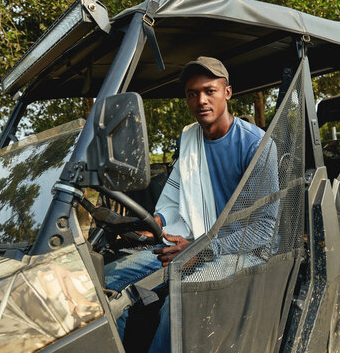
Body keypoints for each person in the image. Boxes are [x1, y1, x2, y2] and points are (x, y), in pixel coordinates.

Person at [104, 56, 278, 351]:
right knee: (110, 279)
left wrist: (201, 249)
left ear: (227, 92)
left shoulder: (257, 146)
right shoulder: (189, 138)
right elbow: (177, 197)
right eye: (192, 93)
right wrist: (155, 225)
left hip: (241, 249)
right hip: (193, 242)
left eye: (209, 90)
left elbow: (265, 229)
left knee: (182, 298)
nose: (201, 100)